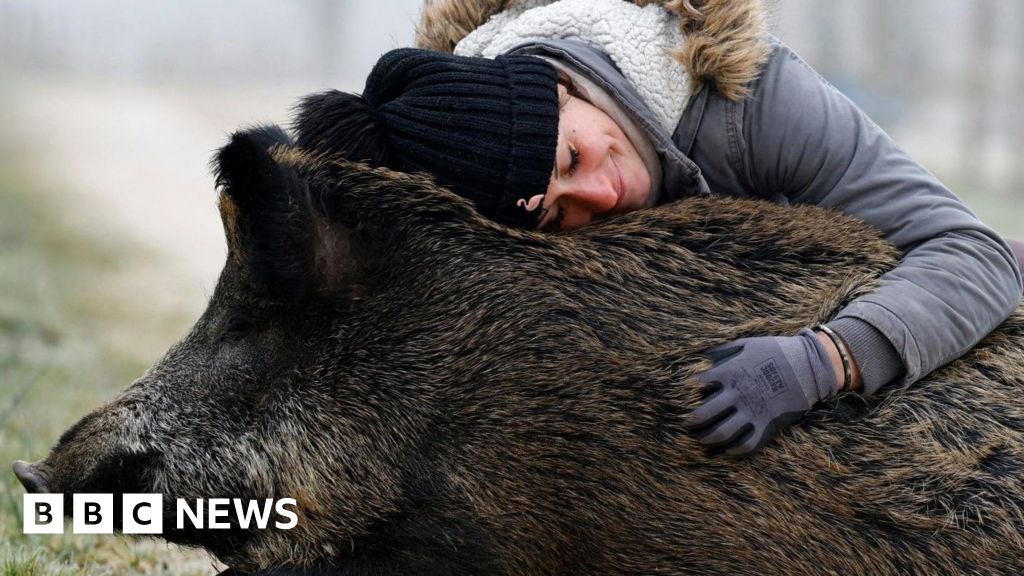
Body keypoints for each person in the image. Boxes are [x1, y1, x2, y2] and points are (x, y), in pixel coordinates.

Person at [294, 0, 1024, 455]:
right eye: (558, 212)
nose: (604, 192)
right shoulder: (452, 157)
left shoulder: (752, 99)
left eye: (573, 154)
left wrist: (823, 361)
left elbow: (973, 252)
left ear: (559, 84)